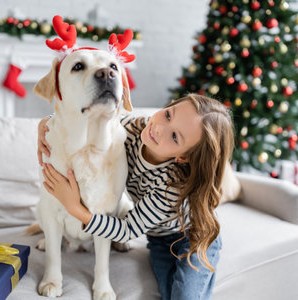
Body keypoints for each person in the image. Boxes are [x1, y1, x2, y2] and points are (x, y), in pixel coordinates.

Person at [37, 93, 235, 300]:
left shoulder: (171, 186)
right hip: (158, 239)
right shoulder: (131, 130)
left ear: (183, 157)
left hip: (194, 237)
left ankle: (208, 259)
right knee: (170, 293)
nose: (159, 128)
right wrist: (45, 123)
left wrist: (75, 209)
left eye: (175, 136)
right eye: (168, 115)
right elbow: (88, 120)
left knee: (185, 296)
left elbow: (127, 230)